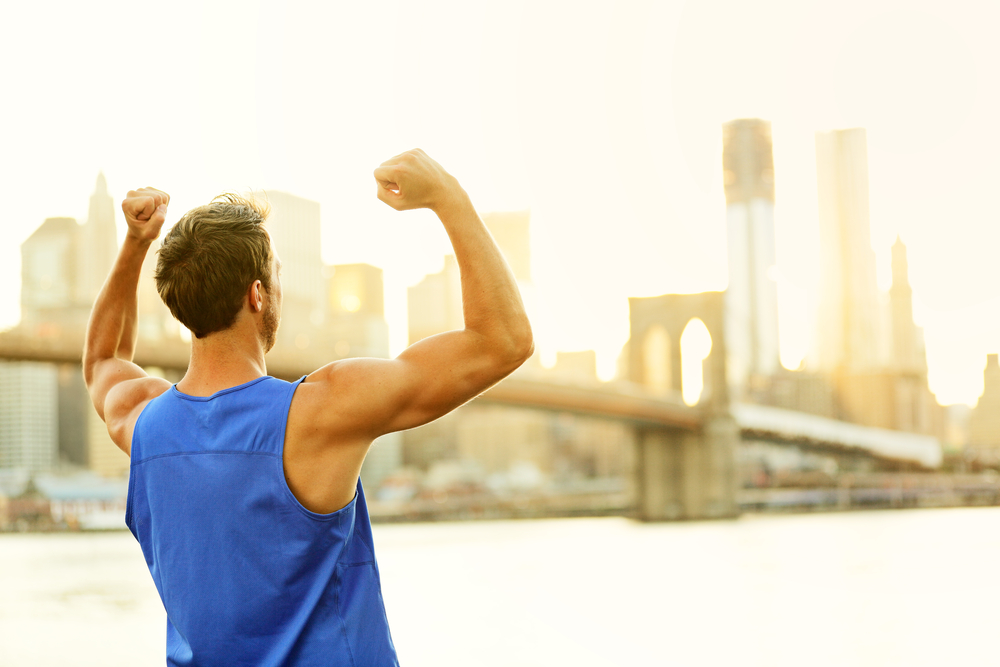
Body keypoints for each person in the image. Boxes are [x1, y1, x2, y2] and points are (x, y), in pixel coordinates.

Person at [83, 149, 534, 666]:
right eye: (276, 275)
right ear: (258, 295)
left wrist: (136, 244)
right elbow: (503, 341)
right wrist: (448, 195)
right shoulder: (322, 409)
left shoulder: (140, 419)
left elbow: (102, 359)